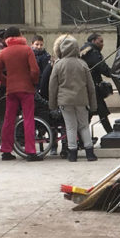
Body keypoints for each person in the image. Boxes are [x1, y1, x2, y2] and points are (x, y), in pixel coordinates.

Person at [0, 26, 42, 161]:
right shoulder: (27, 50)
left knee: (8, 120)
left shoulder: (4, 52)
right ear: (20, 35)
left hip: (11, 90)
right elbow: (35, 70)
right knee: (28, 119)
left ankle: (6, 151)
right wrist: (33, 81)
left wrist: (7, 81)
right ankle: (31, 151)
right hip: (26, 89)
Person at [48, 34, 97, 162]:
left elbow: (52, 87)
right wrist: (93, 104)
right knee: (84, 126)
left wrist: (52, 105)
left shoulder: (58, 65)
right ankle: (90, 153)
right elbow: (90, 86)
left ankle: (72, 154)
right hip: (82, 100)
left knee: (70, 126)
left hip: (65, 101)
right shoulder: (82, 64)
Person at [81, 32, 114, 135]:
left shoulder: (85, 50)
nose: (102, 44)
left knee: (93, 112)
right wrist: (113, 73)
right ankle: (110, 133)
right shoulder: (92, 52)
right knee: (100, 111)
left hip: (88, 87)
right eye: (100, 41)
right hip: (92, 88)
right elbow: (102, 67)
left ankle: (83, 137)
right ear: (93, 41)